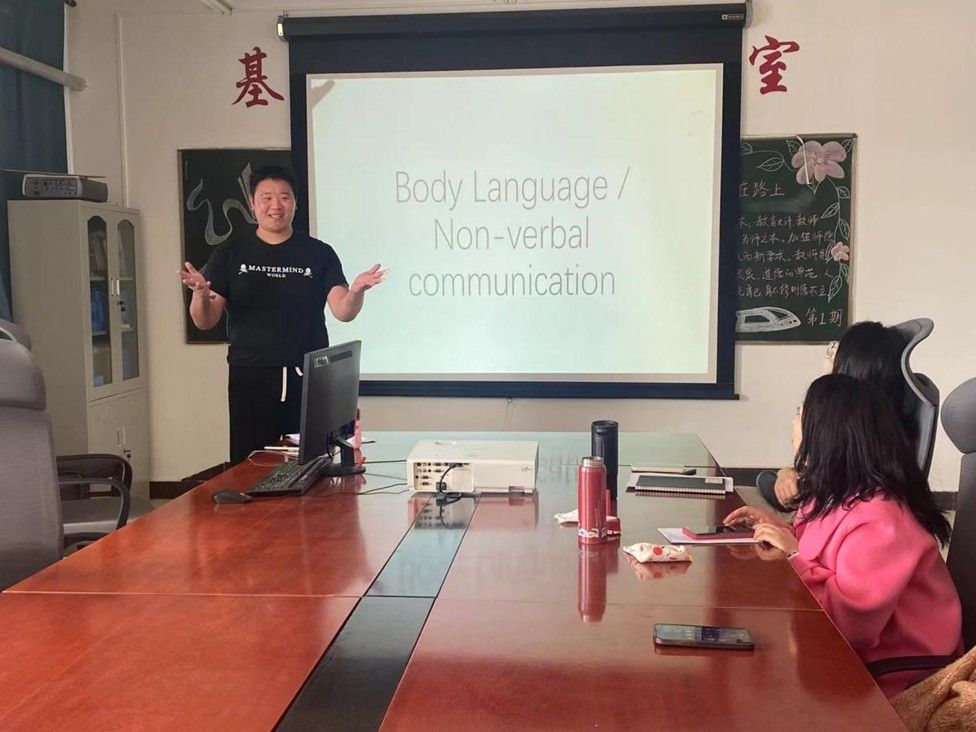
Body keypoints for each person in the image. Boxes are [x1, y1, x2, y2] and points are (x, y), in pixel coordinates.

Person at [726, 373, 961, 698]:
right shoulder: (834, 493)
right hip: (841, 650)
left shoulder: (881, 520)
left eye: (800, 412)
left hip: (899, 674)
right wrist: (778, 531)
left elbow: (848, 629)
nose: (794, 421)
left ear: (827, 432)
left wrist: (793, 554)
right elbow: (819, 555)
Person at [179, 166, 386, 464]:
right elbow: (205, 320)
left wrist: (356, 291)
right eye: (266, 197)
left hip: (309, 378)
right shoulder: (231, 253)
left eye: (284, 197)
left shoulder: (319, 253)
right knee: (251, 464)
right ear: (252, 203)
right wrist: (200, 295)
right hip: (252, 377)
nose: (275, 205)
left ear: (295, 203)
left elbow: (343, 311)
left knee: (313, 462)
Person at [761, 320, 912, 511]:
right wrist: (786, 474)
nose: (829, 359)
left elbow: (810, 492)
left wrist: (789, 479)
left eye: (836, 354)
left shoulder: (864, 448)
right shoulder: (882, 430)